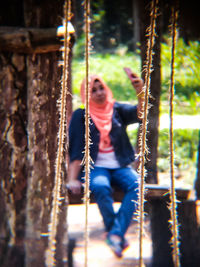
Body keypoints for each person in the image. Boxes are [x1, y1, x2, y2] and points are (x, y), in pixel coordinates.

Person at [68, 70, 144, 257]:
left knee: (137, 185)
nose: (99, 92)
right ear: (87, 94)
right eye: (93, 90)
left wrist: (140, 90)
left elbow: (140, 113)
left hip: (120, 165)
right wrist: (72, 179)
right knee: (100, 186)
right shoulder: (81, 115)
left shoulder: (116, 109)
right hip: (96, 167)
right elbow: (77, 149)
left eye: (101, 87)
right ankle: (115, 234)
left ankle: (114, 234)